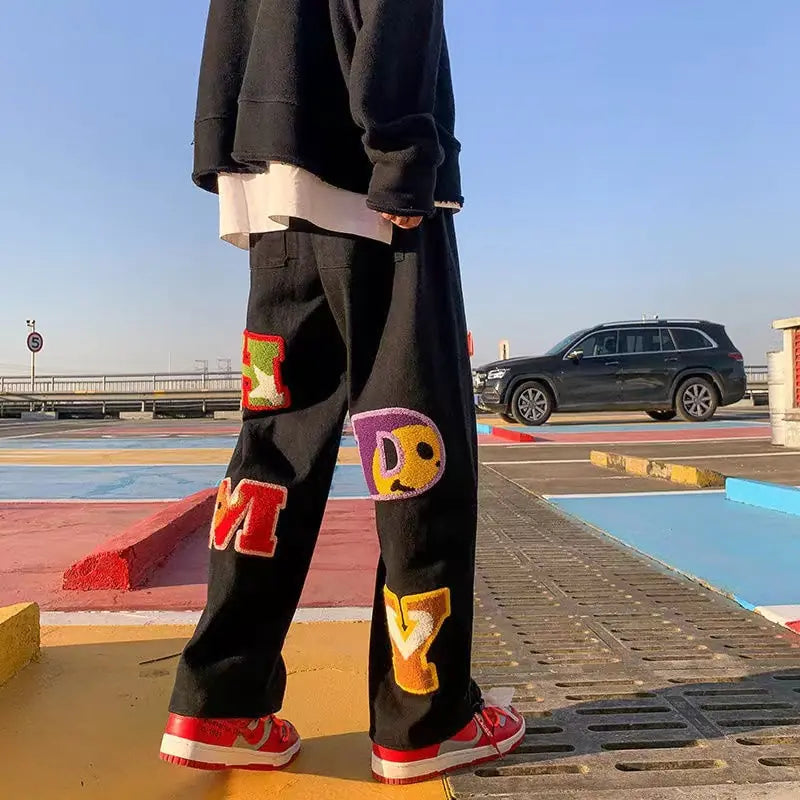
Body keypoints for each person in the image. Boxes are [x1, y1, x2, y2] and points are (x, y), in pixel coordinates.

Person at [159, 0, 524, 785]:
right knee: (417, 452)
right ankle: (424, 720)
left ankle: (218, 702)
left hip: (267, 179)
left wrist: (223, 148)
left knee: (273, 451)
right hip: (366, 179)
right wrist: (404, 152)